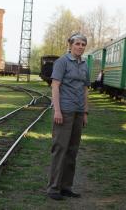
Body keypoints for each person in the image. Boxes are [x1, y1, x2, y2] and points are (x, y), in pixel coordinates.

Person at [47, 33, 90, 200]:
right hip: (64, 111)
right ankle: (53, 188)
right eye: (77, 43)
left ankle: (66, 186)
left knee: (72, 151)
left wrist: (85, 112)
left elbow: (85, 89)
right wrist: (57, 110)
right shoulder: (62, 62)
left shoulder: (85, 64)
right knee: (60, 149)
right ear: (70, 45)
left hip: (78, 112)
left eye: (83, 44)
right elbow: (55, 87)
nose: (80, 46)